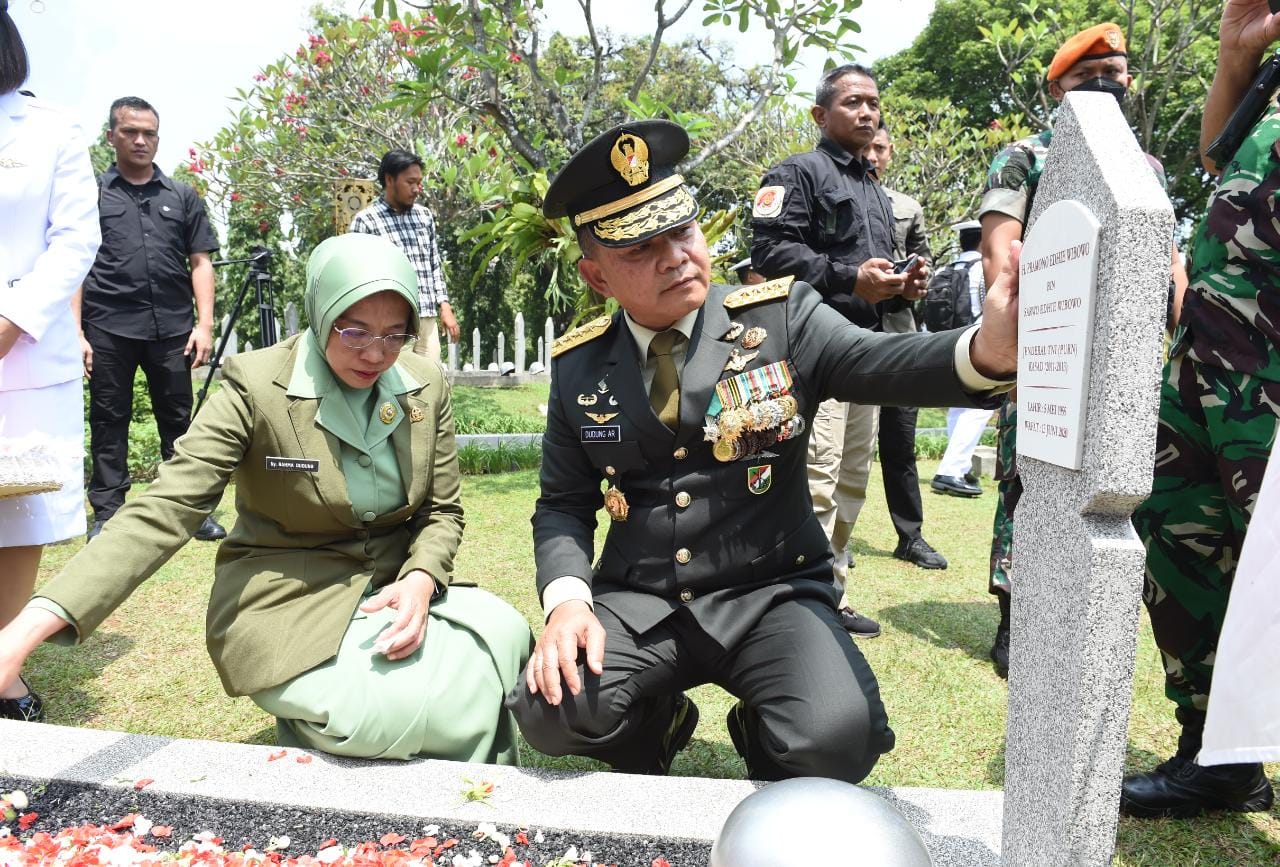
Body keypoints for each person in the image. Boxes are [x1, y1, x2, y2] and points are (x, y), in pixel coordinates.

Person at [507, 119, 1019, 783]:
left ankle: (762, 729)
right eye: (640, 250)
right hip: (643, 601)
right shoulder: (581, 366)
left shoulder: (779, 319)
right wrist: (569, 602)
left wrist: (982, 353)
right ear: (596, 276)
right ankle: (654, 727)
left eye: (681, 231)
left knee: (837, 740)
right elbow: (564, 503)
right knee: (551, 708)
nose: (674, 256)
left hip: (769, 593)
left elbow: (878, 360)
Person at [0, 233, 532, 763]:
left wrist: (420, 579)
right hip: (287, 595)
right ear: (320, 313)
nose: (376, 354)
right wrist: (24, 630)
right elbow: (166, 508)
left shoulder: (423, 382)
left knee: (503, 643)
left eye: (396, 335)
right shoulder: (256, 385)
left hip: (394, 587)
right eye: (354, 332)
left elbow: (441, 510)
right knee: (388, 712)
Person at [977, 22, 1189, 677]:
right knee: (1026, 481)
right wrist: (1014, 352)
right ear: (1058, 87)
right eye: (1088, 77)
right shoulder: (1027, 155)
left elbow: (1169, 258)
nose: (1108, 84)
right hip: (1045, 354)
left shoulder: (1145, 167)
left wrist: (1185, 334)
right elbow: (997, 249)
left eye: (1116, 73)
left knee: (1111, 489)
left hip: (1122, 361)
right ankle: (1014, 620)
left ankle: (1088, 614)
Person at [1120, 0, 1280, 818]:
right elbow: (1218, 162)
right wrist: (1232, 55)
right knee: (1187, 550)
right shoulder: (1274, 83)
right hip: (1208, 370)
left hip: (1272, 382)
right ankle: (1222, 756)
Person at [751, 66, 944, 641]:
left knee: (853, 476)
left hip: (867, 347)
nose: (867, 113)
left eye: (874, 103)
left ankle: (828, 590)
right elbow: (768, 250)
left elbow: (878, 267)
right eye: (853, 102)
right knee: (818, 474)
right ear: (820, 115)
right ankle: (800, 599)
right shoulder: (795, 173)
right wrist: (846, 276)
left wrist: (903, 284)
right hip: (812, 347)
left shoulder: (877, 192)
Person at [0, 1, 102, 723]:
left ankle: (4, 663)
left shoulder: (50, 128)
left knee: (17, 510)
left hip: (21, 347)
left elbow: (74, 238)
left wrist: (11, 320)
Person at [81, 96, 225, 543]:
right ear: (112, 136)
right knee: (109, 418)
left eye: (149, 133)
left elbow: (200, 262)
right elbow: (76, 266)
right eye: (130, 132)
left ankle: (189, 510)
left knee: (180, 420)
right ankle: (107, 512)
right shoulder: (89, 196)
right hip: (107, 326)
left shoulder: (181, 196)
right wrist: (76, 334)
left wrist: (204, 325)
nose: (140, 140)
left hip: (172, 328)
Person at [349, 149, 460, 363]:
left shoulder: (424, 216)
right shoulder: (366, 221)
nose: (417, 189)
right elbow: (358, 278)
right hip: (390, 323)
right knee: (394, 386)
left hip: (426, 318)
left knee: (430, 383)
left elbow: (433, 264)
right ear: (390, 179)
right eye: (410, 182)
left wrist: (445, 306)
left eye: (419, 182)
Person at [930, 220, 990, 498]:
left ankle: (961, 466)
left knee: (959, 407)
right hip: (975, 343)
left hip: (946, 346)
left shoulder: (945, 269)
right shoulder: (983, 268)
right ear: (982, 240)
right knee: (980, 409)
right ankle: (950, 471)